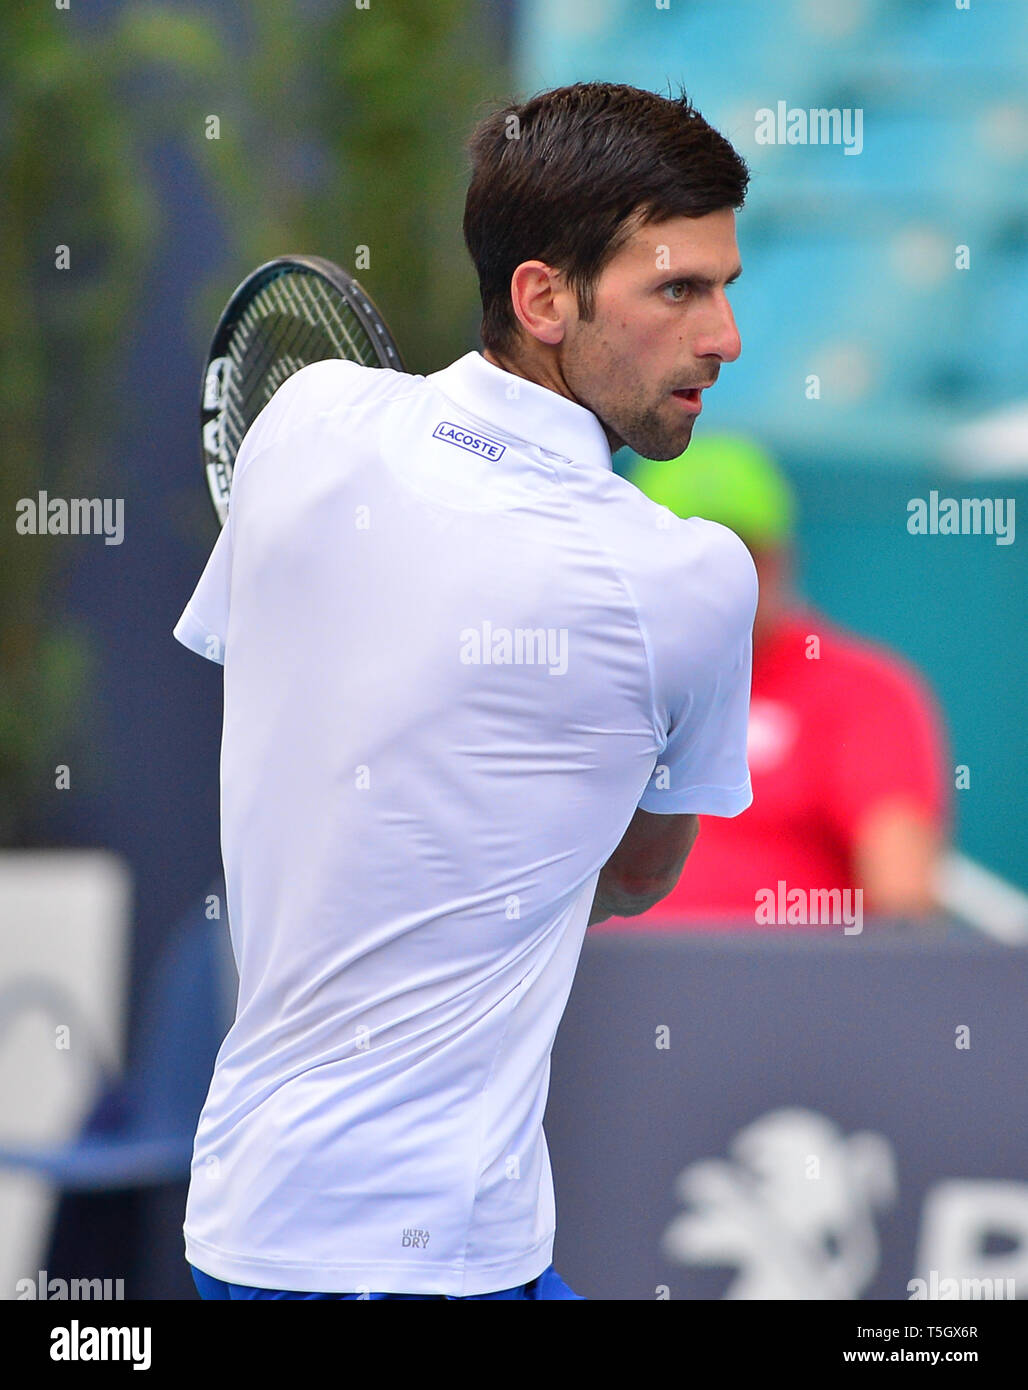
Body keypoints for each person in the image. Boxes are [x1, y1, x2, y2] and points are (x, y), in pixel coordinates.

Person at [173, 81, 755, 1300]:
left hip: (243, 1226)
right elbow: (639, 870)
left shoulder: (306, 419)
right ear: (543, 298)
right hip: (427, 1262)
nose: (722, 338)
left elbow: (309, 706)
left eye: (723, 288)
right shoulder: (684, 578)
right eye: (676, 290)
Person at [612, 435, 949, 928]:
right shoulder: (596, 685)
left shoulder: (862, 692)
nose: (716, 582)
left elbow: (904, 905)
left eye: (741, 553)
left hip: (797, 995)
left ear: (782, 559)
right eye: (686, 556)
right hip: (610, 990)